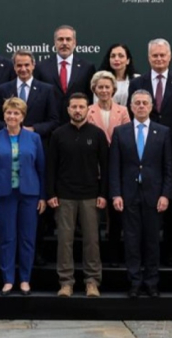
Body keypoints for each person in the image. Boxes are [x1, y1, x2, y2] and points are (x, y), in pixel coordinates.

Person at [128, 38, 172, 266]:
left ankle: (170, 253)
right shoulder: (138, 83)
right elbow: (132, 113)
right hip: (144, 152)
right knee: (144, 205)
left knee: (171, 205)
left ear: (170, 56)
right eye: (154, 56)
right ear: (148, 58)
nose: (159, 59)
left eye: (162, 55)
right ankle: (145, 255)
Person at [0, 50, 59, 266]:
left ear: (33, 65)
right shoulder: (4, 89)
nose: (23, 69)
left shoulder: (47, 89)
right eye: (19, 65)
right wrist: (11, 128)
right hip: (7, 153)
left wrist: (31, 130)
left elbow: (54, 119)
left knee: (35, 218)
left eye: (26, 65)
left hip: (35, 153)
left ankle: (35, 254)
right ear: (14, 67)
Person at [110, 89, 172, 298]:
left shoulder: (163, 132)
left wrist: (166, 194)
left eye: (145, 103)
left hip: (154, 195)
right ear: (131, 106)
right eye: (137, 103)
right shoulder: (121, 131)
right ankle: (135, 281)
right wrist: (116, 194)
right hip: (128, 195)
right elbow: (114, 166)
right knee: (131, 240)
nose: (141, 107)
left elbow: (168, 167)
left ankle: (152, 282)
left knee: (152, 240)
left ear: (152, 106)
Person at [48, 93, 109, 298]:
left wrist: (103, 194)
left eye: (81, 107)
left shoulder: (98, 134)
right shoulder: (58, 134)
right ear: (68, 110)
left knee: (92, 240)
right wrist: (51, 193)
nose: (77, 110)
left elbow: (106, 167)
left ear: (87, 109)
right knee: (65, 240)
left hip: (91, 195)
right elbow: (51, 167)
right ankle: (66, 282)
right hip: (64, 195)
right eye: (73, 107)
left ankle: (92, 281)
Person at [0, 97, 46, 296]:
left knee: (27, 238)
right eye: (9, 113)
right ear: (4, 115)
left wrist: (43, 196)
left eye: (16, 113)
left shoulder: (34, 139)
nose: (12, 116)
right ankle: (8, 280)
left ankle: (25, 279)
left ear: (23, 116)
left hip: (29, 194)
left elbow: (41, 169)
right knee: (7, 238)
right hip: (4, 194)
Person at [87, 71, 130, 266]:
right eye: (100, 87)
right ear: (94, 89)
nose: (104, 90)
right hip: (93, 168)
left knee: (116, 215)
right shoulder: (87, 111)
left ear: (113, 89)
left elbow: (127, 139)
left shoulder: (123, 111)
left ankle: (113, 255)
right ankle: (95, 257)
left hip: (118, 169)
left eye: (107, 87)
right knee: (94, 216)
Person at [34, 25, 96, 123]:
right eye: (60, 39)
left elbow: (90, 97)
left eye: (68, 39)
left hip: (77, 123)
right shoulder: (41, 67)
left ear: (74, 43)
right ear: (55, 43)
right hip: (50, 124)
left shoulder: (87, 67)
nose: (64, 43)